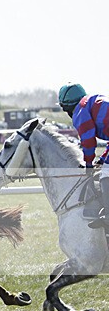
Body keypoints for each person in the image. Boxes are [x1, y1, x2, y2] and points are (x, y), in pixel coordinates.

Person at [58, 83, 109, 228]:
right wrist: (102, 158)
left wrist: (88, 165)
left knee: (106, 173)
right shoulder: (92, 101)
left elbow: (88, 141)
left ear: (66, 107)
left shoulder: (80, 111)